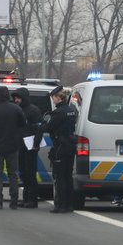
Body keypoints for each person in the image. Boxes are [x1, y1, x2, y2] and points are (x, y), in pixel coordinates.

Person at [46, 85, 78, 214]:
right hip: (70, 146)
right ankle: (69, 205)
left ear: (58, 98)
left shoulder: (59, 112)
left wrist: (39, 127)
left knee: (59, 177)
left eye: (53, 98)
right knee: (67, 176)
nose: (53, 100)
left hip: (60, 146)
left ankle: (61, 205)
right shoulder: (71, 110)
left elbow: (48, 127)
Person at [12, 87, 43, 209]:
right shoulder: (17, 110)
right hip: (20, 146)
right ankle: (25, 198)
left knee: (31, 174)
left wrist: (36, 144)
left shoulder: (33, 110)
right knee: (23, 174)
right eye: (15, 98)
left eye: (18, 98)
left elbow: (39, 128)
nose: (16, 100)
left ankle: (32, 199)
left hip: (30, 147)